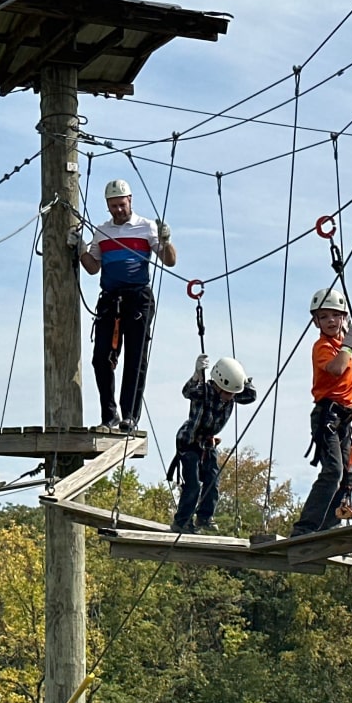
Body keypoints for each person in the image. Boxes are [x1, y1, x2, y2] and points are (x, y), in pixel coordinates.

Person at [71, 179, 177, 431]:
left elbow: (169, 261)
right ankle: (110, 414)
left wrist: (166, 239)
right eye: (113, 206)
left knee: (135, 358)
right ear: (107, 206)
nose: (118, 210)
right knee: (101, 359)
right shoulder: (102, 231)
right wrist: (80, 248)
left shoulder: (146, 227)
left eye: (121, 204)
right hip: (110, 298)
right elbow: (93, 267)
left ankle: (130, 416)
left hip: (138, 297)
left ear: (130, 201)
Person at [290, 288, 352, 537]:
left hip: (343, 418)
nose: (330, 321)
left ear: (343, 318)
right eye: (324, 317)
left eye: (335, 315)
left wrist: (348, 340)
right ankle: (305, 527)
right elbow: (336, 369)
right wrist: (350, 343)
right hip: (327, 417)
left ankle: (329, 526)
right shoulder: (323, 346)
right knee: (332, 471)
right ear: (316, 322)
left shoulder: (340, 344)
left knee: (343, 474)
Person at [168, 355, 257, 534]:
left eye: (233, 393)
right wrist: (197, 376)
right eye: (226, 392)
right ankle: (182, 521)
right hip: (189, 442)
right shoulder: (205, 391)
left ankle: (204, 517)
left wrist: (242, 379)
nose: (230, 397)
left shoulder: (231, 395)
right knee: (192, 484)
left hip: (207, 444)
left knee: (213, 480)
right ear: (217, 384)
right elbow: (188, 392)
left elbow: (250, 396)